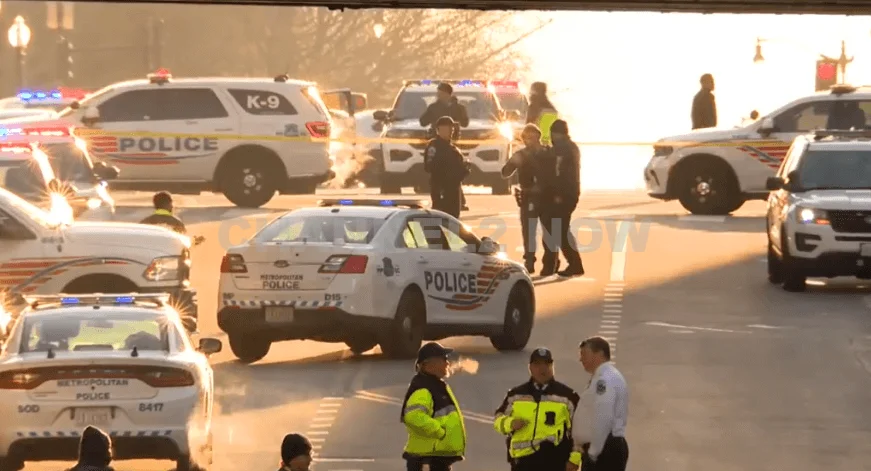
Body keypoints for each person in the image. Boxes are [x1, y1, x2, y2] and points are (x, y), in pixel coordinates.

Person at [493, 347, 582, 471]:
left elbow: (580, 431)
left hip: (555, 463)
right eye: (538, 364)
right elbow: (498, 418)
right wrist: (510, 423)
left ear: (552, 366)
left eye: (547, 364)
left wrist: (574, 460)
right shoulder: (515, 395)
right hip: (522, 463)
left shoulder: (567, 396)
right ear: (530, 367)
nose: (542, 368)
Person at [400, 342, 466, 471]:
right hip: (427, 458)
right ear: (430, 364)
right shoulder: (424, 389)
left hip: (435, 456)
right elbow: (413, 416)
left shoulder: (435, 385)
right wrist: (439, 432)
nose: (447, 363)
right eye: (443, 359)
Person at [574, 337, 629, 471]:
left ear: (600, 354)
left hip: (604, 449)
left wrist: (593, 453)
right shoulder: (605, 377)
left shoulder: (604, 380)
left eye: (584, 354)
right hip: (604, 448)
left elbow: (603, 416)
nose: (581, 359)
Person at [502, 124, 548, 273]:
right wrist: (513, 161)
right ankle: (530, 260)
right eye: (526, 137)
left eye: (532, 136)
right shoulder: (521, 155)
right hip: (528, 196)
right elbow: (505, 172)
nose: (530, 139)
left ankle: (550, 261)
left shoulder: (548, 153)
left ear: (538, 136)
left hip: (546, 196)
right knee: (529, 230)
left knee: (548, 231)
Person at [420, 83, 471, 211]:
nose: (439, 95)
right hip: (438, 142)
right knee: (440, 173)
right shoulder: (433, 107)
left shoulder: (458, 108)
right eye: (438, 93)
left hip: (453, 142)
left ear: (448, 94)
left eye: (441, 93)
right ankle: (439, 200)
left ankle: (459, 200)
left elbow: (465, 122)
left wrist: (455, 122)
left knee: (455, 171)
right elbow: (422, 121)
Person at [544, 119, 584, 277]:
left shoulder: (562, 149)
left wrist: (555, 193)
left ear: (556, 133)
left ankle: (574, 264)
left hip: (563, 195)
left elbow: (557, 172)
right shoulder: (572, 147)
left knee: (560, 230)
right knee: (562, 229)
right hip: (571, 193)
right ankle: (573, 263)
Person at [424, 116, 469, 218]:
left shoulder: (454, 149)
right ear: (438, 130)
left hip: (454, 190)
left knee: (453, 219)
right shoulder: (434, 146)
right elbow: (429, 167)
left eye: (451, 129)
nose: (450, 131)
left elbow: (458, 171)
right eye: (446, 128)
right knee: (441, 218)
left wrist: (464, 169)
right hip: (441, 188)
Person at [139, 191, 205, 244]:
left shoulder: (144, 223)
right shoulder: (176, 223)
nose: (173, 206)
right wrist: (195, 241)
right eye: (172, 203)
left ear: (155, 205)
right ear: (169, 204)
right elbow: (185, 243)